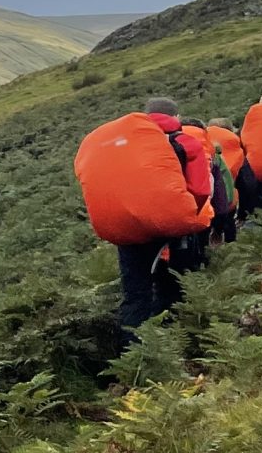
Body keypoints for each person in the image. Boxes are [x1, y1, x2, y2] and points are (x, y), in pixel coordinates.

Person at [74, 97, 212, 334]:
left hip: (125, 229)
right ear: (176, 118)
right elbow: (201, 189)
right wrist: (186, 215)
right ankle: (170, 342)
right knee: (173, 287)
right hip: (171, 226)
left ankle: (132, 356)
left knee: (135, 295)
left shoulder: (126, 146)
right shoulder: (186, 142)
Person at [170, 119, 236, 270]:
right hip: (203, 212)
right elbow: (222, 193)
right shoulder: (213, 155)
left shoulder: (166, 146)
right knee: (201, 250)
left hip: (173, 215)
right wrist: (219, 227)